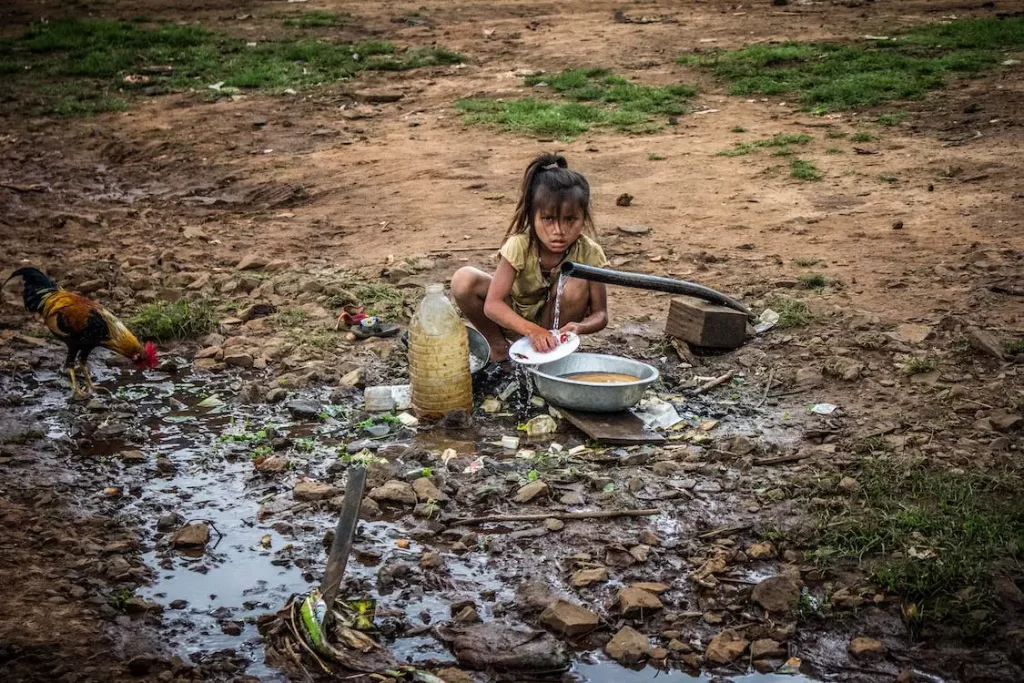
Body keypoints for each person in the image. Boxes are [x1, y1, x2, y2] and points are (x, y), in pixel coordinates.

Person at [451, 153, 609, 361]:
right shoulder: (520, 245)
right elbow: (493, 305)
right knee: (464, 279)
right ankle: (498, 350)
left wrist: (579, 327)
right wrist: (531, 330)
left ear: (584, 218)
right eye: (548, 219)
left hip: (554, 331)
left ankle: (551, 357)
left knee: (576, 282)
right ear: (532, 216)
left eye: (570, 219)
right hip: (514, 320)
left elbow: (601, 315)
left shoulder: (590, 253)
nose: (559, 230)